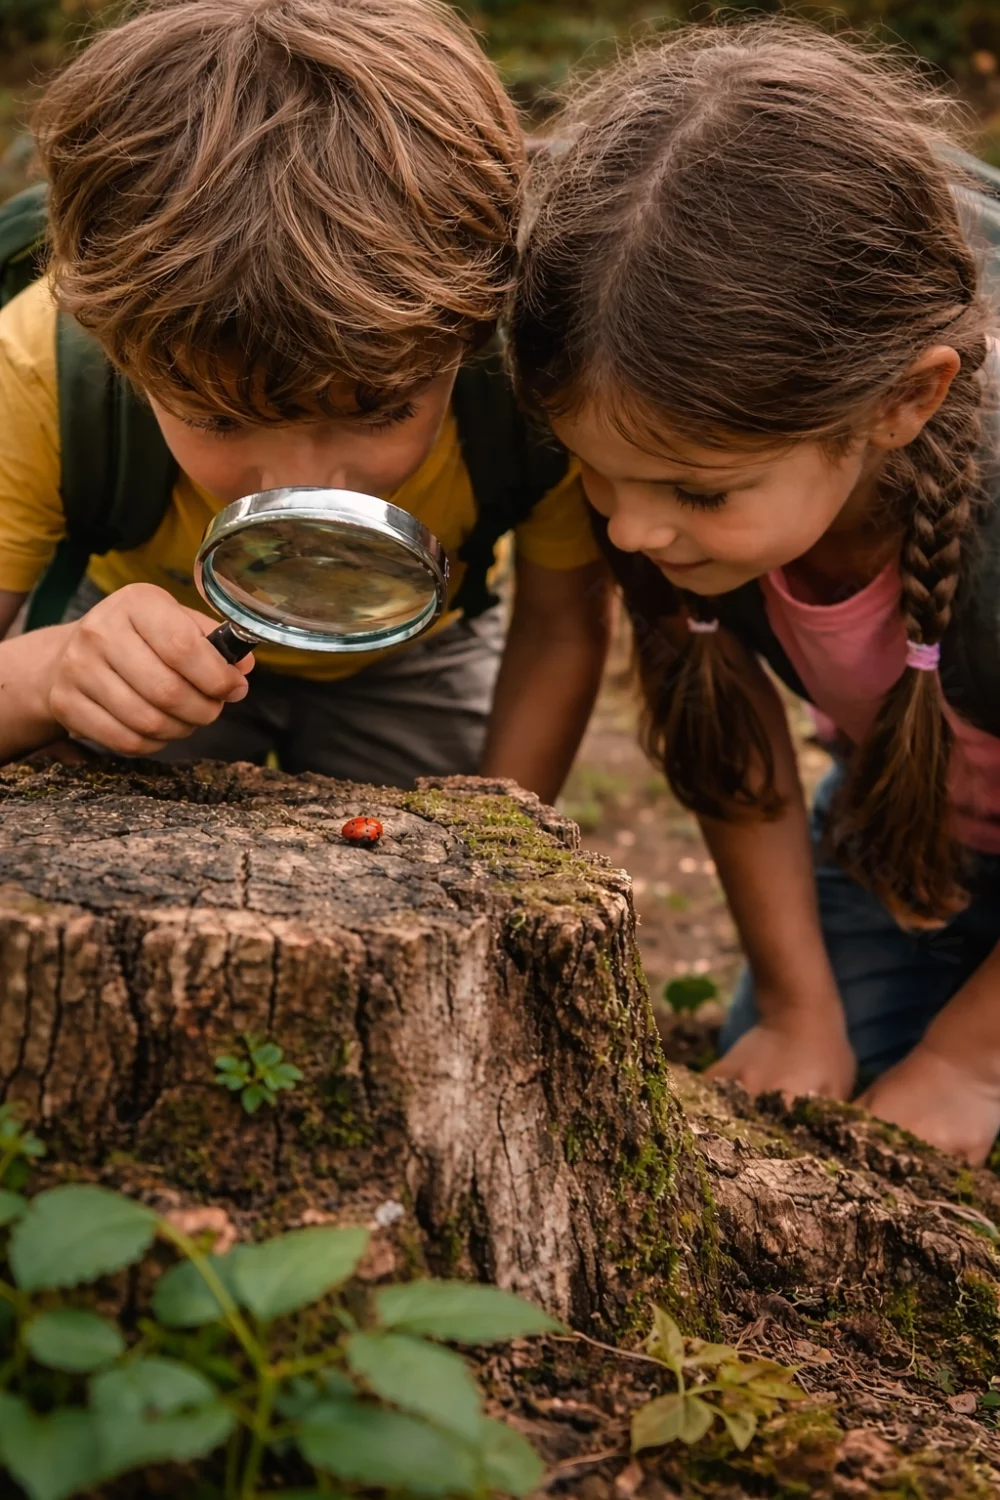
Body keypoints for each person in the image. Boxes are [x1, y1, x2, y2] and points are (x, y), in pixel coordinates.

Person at [510, 20, 1000, 1162]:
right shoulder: (656, 436)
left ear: (902, 403)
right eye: (599, 473)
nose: (629, 527)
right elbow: (719, 717)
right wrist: (797, 1011)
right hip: (905, 835)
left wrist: (968, 1063)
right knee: (799, 1122)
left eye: (695, 489)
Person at [0, 0, 610, 803]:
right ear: (119, 352)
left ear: (471, 331)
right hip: (133, 634)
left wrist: (500, 846)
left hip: (414, 652)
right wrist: (50, 673)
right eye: (220, 417)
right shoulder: (41, 367)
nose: (310, 484)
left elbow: (559, 630)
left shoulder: (535, 373)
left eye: (379, 411)